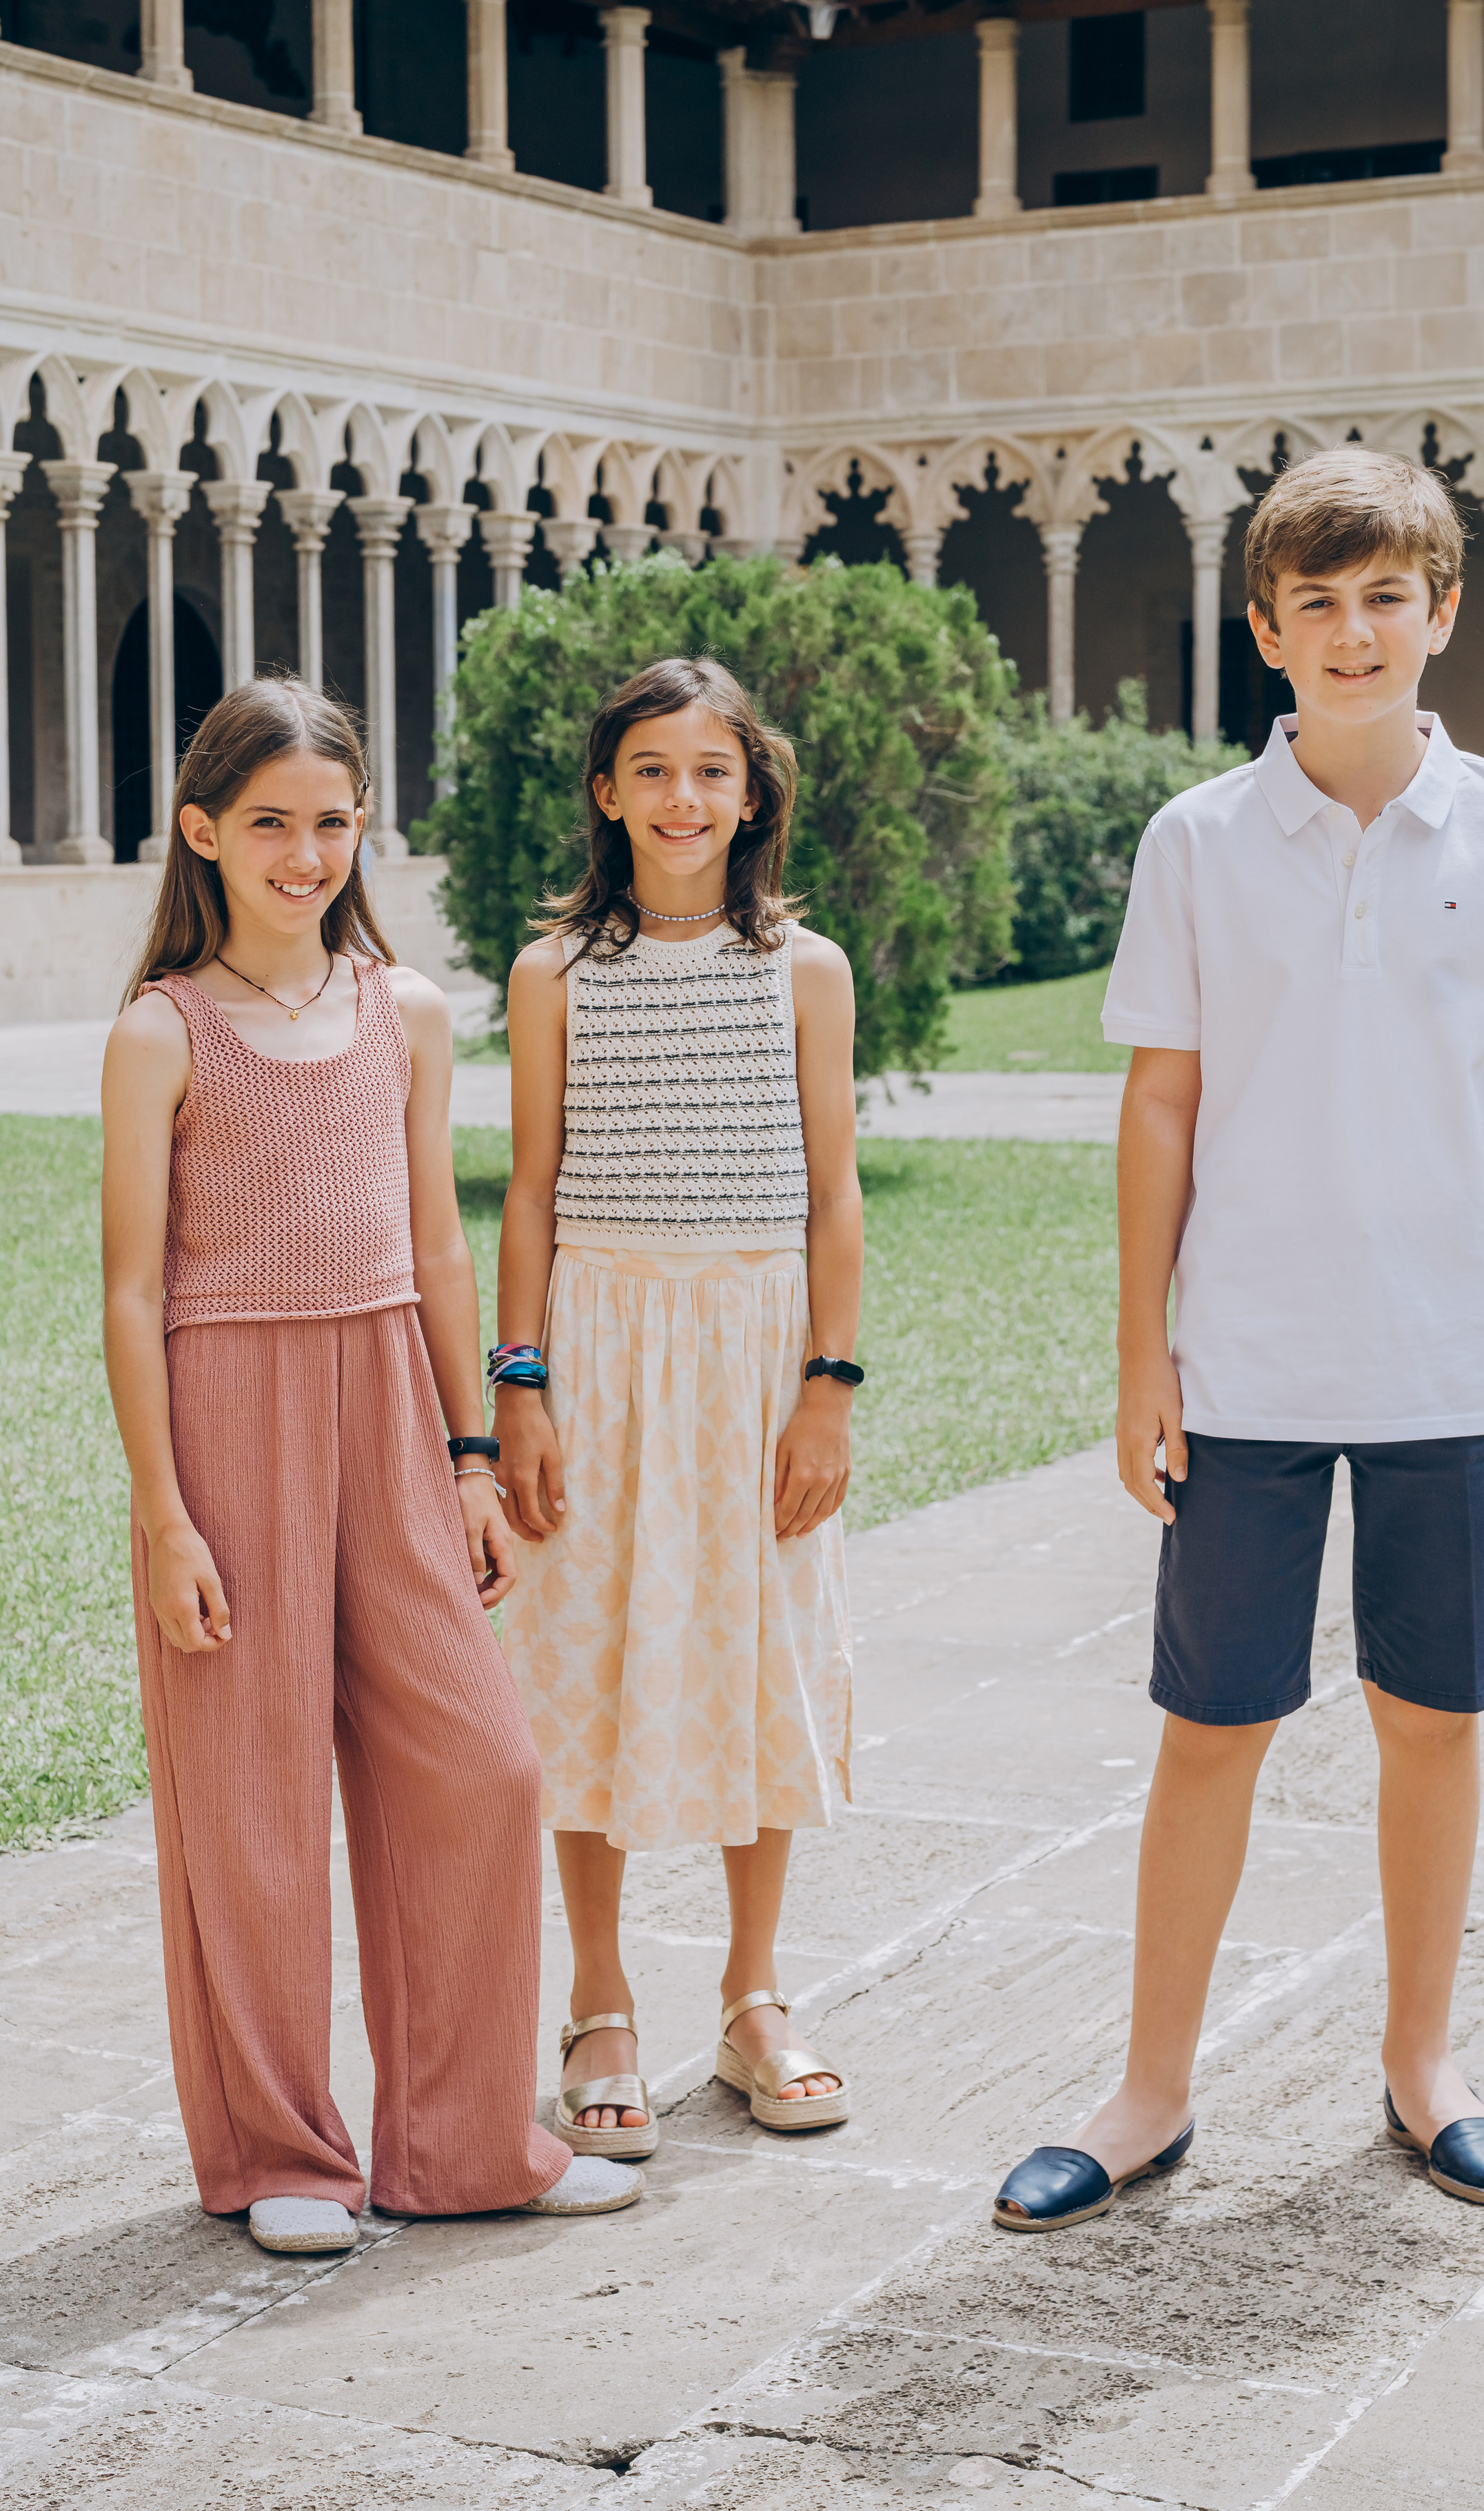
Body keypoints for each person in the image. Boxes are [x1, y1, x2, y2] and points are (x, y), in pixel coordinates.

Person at [995, 447, 1484, 2233]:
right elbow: (1163, 1110)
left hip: (1448, 1363)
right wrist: (1142, 1353)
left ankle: (1428, 2066)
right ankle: (1150, 2091)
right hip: (1251, 1365)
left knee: (1430, 1719)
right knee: (1212, 1726)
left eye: (1386, 598)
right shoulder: (1198, 841)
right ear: (1265, 629)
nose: (1356, 634)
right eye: (1318, 604)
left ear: (1443, 611)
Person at [102, 677, 640, 2257]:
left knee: (484, 1764)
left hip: (396, 1415)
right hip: (227, 1416)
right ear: (201, 830)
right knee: (250, 1804)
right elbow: (131, 1290)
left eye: (329, 820)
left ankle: (465, 2137)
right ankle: (281, 2147)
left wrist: (471, 1452)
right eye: (268, 821)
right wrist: (164, 1512)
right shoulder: (161, 1030)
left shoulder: (400, 1009)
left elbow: (434, 1249)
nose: (303, 851)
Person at [497, 657, 862, 2159]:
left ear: (753, 788)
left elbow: (835, 1192)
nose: (681, 798)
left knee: (755, 1645)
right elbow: (525, 1192)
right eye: (649, 768)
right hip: (597, 1337)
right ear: (605, 790)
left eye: (710, 769)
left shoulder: (807, 966)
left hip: (754, 1343)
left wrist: (825, 1387)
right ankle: (597, 1997)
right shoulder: (551, 974)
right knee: (579, 1642)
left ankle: (752, 1991)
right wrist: (517, 1385)